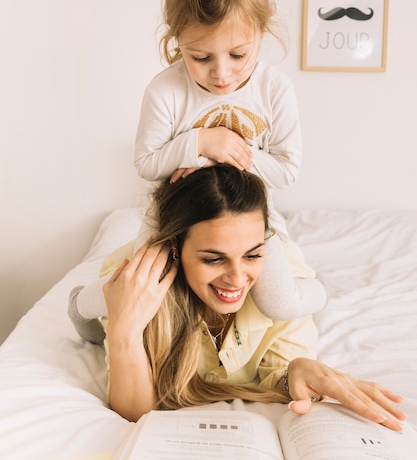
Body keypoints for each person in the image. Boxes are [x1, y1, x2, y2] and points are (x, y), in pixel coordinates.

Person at [72, 0, 326, 336]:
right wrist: (201, 142)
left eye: (238, 55)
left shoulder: (275, 89)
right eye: (201, 57)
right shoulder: (165, 90)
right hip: (175, 211)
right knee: (138, 289)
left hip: (248, 214)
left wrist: (227, 154)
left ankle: (319, 290)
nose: (222, 74)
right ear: (176, 40)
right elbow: (146, 163)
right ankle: (79, 305)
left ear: (263, 28)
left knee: (278, 302)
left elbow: (286, 170)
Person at [69, 166, 405, 431]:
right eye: (213, 259)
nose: (236, 278)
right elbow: (135, 411)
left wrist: (299, 371)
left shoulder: (281, 280)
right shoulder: (135, 280)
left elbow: (282, 372)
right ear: (176, 249)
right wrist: (124, 330)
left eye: (252, 255)